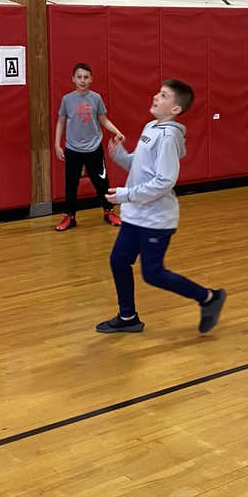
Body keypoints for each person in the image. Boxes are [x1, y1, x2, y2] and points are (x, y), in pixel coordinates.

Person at [96, 78, 226, 335]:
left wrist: (126, 195)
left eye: (164, 95)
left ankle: (209, 298)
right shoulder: (150, 127)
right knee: (119, 261)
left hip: (156, 218)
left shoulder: (168, 138)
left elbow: (164, 181)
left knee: (153, 274)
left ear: (175, 109)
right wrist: (121, 156)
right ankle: (128, 317)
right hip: (137, 214)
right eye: (159, 92)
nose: (156, 96)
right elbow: (140, 165)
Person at [55, 62, 124, 231]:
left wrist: (117, 132)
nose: (82, 80)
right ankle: (69, 216)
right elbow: (61, 122)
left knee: (102, 182)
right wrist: (57, 145)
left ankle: (109, 211)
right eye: (79, 77)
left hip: (94, 148)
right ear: (73, 79)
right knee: (71, 184)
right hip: (73, 149)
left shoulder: (96, 98)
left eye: (86, 77)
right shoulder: (67, 99)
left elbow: (103, 119)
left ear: (91, 79)